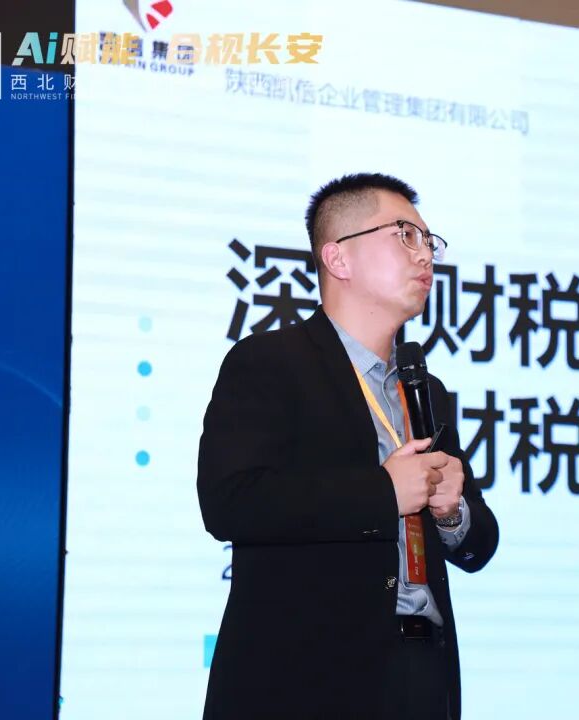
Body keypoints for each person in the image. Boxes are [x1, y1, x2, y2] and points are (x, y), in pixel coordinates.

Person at [197, 173, 500, 719]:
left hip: (421, 674)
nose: (425, 255)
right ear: (338, 258)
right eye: (405, 235)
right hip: (307, 682)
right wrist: (383, 493)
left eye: (429, 242)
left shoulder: (424, 389)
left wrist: (453, 513)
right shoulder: (270, 363)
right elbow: (230, 501)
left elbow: (480, 544)